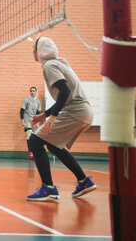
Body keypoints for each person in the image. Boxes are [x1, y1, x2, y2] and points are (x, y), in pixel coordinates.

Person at [26, 37, 97, 201]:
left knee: (35, 142)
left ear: (40, 51)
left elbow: (64, 92)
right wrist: (44, 115)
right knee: (53, 145)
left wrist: (52, 117)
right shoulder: (58, 63)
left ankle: (48, 188)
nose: (33, 52)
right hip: (83, 111)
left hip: (75, 110)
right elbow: (64, 97)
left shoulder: (50, 66)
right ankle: (83, 181)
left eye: (34, 49)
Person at [20, 86, 41, 160]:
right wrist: (23, 121)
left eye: (34, 91)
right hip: (27, 119)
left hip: (34, 120)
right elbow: (21, 111)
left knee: (34, 136)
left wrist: (38, 123)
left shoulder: (38, 102)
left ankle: (35, 152)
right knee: (29, 133)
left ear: (36, 92)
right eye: (31, 91)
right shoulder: (26, 100)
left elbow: (38, 113)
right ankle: (31, 152)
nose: (32, 92)